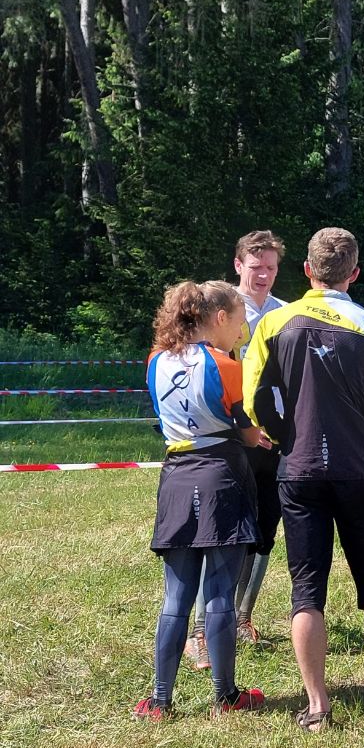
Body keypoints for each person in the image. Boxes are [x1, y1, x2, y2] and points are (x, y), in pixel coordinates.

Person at [243, 227, 364, 731]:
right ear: (354, 274)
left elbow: (253, 399)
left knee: (307, 589)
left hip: (299, 469)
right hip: (359, 470)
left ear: (307, 270)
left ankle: (317, 705)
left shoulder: (275, 322)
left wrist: (283, 435)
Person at [135, 280, 269, 721]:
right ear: (220, 318)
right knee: (219, 595)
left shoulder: (155, 361)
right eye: (239, 322)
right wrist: (261, 436)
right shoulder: (227, 366)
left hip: (176, 476)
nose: (242, 332)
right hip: (221, 477)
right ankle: (225, 696)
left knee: (175, 597)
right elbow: (248, 432)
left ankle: (160, 700)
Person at [184, 230, 288, 670]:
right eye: (256, 266)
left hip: (274, 435)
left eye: (271, 267)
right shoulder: (219, 310)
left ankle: (243, 617)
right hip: (228, 436)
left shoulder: (285, 313)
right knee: (221, 532)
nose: (264, 275)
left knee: (264, 527)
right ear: (238, 264)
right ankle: (199, 632)